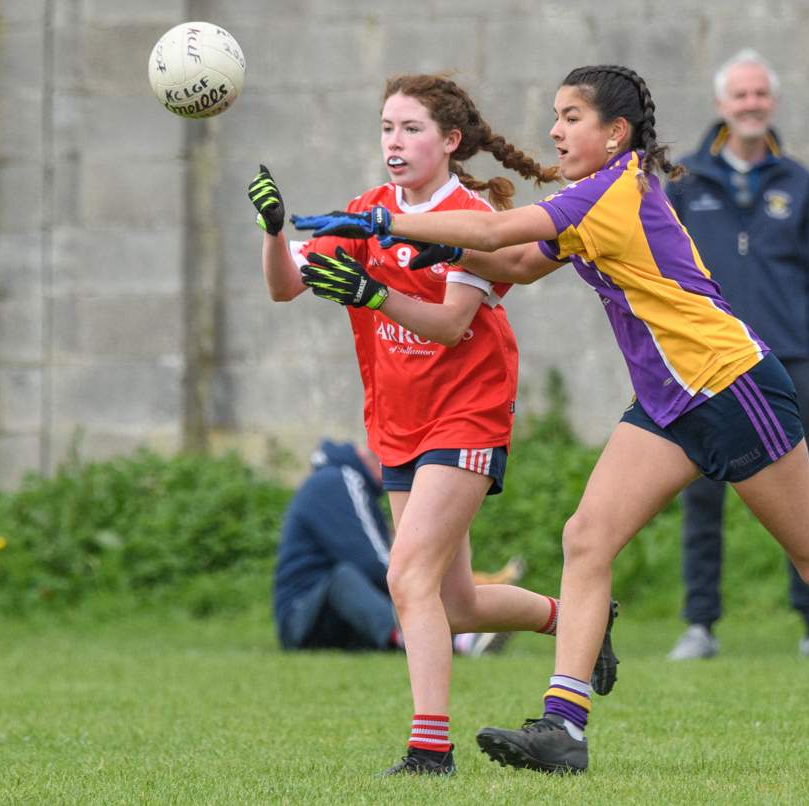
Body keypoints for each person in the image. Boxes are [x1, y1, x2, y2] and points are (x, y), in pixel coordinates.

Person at [301, 64, 809, 775]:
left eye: (571, 117)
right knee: (585, 539)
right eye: (554, 116)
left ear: (616, 132)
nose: (554, 130)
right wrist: (386, 257)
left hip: (725, 384)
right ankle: (563, 726)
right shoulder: (590, 193)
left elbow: (496, 237)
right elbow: (520, 264)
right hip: (665, 400)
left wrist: (383, 221)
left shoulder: (612, 192)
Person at [247, 74, 619, 778]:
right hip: (398, 422)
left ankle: (429, 751)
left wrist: (370, 291)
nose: (394, 141)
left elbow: (450, 326)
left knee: (406, 576)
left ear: (449, 141)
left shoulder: (466, 213)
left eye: (410, 128)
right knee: (453, 602)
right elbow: (282, 286)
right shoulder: (366, 211)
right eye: (386, 127)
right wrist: (273, 233)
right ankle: (576, 618)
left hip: (466, 413)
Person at [664, 49, 809, 660]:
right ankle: (700, 625)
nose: (751, 105)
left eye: (760, 95)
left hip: (789, 362)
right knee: (702, 492)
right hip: (706, 363)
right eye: (740, 96)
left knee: (805, 499)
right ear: (721, 106)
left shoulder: (797, 182)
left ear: (772, 103)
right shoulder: (684, 182)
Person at [273, 439, 516, 657]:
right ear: (371, 459)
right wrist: (421, 583)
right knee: (344, 579)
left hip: (336, 621)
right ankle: (434, 638)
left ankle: (449, 633)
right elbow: (371, 562)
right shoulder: (339, 479)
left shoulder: (340, 484)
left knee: (387, 581)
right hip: (301, 619)